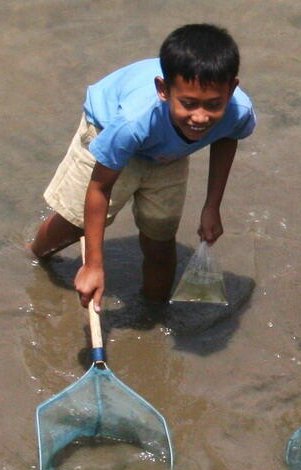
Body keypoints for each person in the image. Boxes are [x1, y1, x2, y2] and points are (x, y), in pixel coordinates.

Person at [28, 23, 255, 312]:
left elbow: (227, 137)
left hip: (166, 152)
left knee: (160, 241)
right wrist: (94, 266)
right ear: (163, 89)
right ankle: (33, 257)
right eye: (188, 103)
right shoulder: (133, 121)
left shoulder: (238, 111)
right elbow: (100, 187)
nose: (200, 117)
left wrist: (212, 206)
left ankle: (153, 313)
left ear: (232, 89)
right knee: (74, 225)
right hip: (108, 131)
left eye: (213, 105)